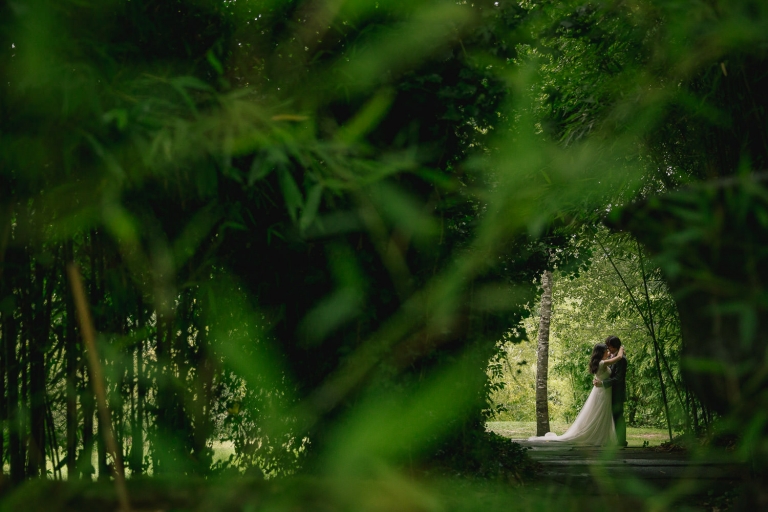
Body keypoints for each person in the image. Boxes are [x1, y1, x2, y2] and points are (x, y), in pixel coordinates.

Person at [527, 341, 624, 445]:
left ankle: (601, 436)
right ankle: (600, 437)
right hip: (603, 393)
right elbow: (619, 358)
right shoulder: (602, 363)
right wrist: (621, 348)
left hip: (601, 391)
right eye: (606, 351)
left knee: (600, 414)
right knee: (601, 414)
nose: (608, 353)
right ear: (601, 353)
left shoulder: (598, 363)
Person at [593, 335, 628, 447]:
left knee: (618, 416)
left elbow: (618, 378)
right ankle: (612, 440)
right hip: (608, 392)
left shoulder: (621, 359)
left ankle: (622, 442)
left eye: (609, 346)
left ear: (614, 346)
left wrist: (602, 383)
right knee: (611, 417)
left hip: (617, 392)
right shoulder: (611, 357)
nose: (607, 349)